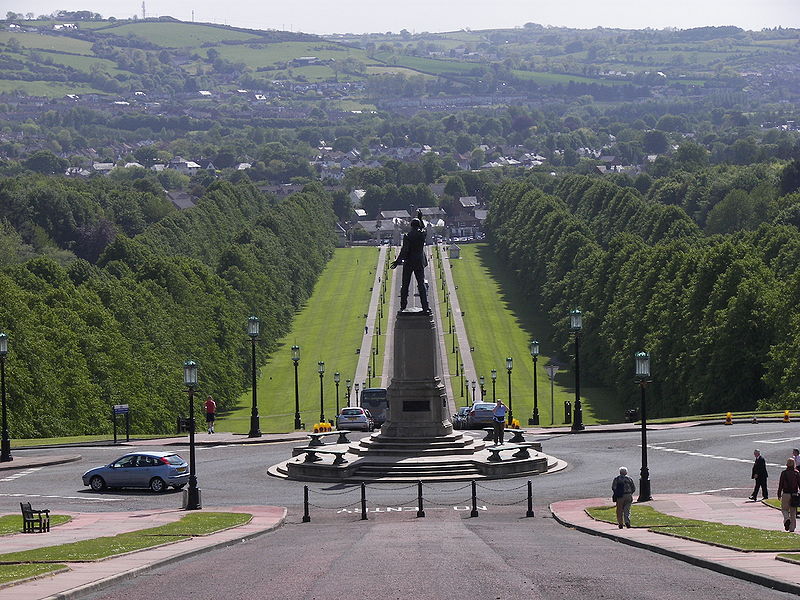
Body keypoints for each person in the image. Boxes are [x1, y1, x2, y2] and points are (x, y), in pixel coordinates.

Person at [390, 211, 430, 313]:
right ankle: (425, 307)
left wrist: (397, 261)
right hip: (419, 262)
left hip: (409, 262)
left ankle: (403, 307)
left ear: (411, 226)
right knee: (421, 285)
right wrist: (420, 219)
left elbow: (405, 250)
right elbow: (423, 229)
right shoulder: (422, 235)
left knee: (405, 285)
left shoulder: (408, 236)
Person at [778, 458, 800, 532]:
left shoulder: (784, 473)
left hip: (786, 493)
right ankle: (792, 528)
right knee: (793, 511)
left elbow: (780, 484)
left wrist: (778, 494)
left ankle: (787, 519)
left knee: (784, 509)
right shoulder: (796, 473)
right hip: (794, 494)